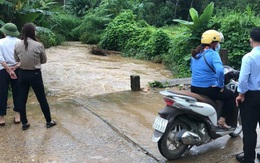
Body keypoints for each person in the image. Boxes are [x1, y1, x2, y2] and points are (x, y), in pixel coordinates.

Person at [190, 29, 236, 129]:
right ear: (213, 43)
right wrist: (220, 85)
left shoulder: (195, 54)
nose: (219, 44)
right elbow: (220, 71)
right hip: (207, 88)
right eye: (218, 42)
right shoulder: (213, 54)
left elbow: (192, 69)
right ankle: (222, 121)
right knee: (231, 96)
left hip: (194, 87)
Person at [14, 23, 56, 130]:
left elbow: (16, 59)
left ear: (23, 32)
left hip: (22, 74)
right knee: (41, 98)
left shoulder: (17, 44)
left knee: (22, 99)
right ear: (33, 32)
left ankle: (24, 123)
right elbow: (44, 60)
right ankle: (48, 121)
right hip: (35, 74)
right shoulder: (38, 45)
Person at [235, 27, 260, 163]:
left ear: (251, 40)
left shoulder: (249, 57)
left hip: (252, 96)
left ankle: (249, 158)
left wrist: (241, 94)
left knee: (249, 129)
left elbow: (243, 79)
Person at [0, 22, 21, 126]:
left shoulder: (0, 42)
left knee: (2, 93)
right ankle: (17, 116)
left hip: (3, 70)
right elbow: (23, 58)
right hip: (16, 69)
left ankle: (2, 118)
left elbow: (0, 59)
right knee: (17, 92)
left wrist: (8, 69)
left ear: (5, 33)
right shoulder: (20, 42)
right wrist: (15, 67)